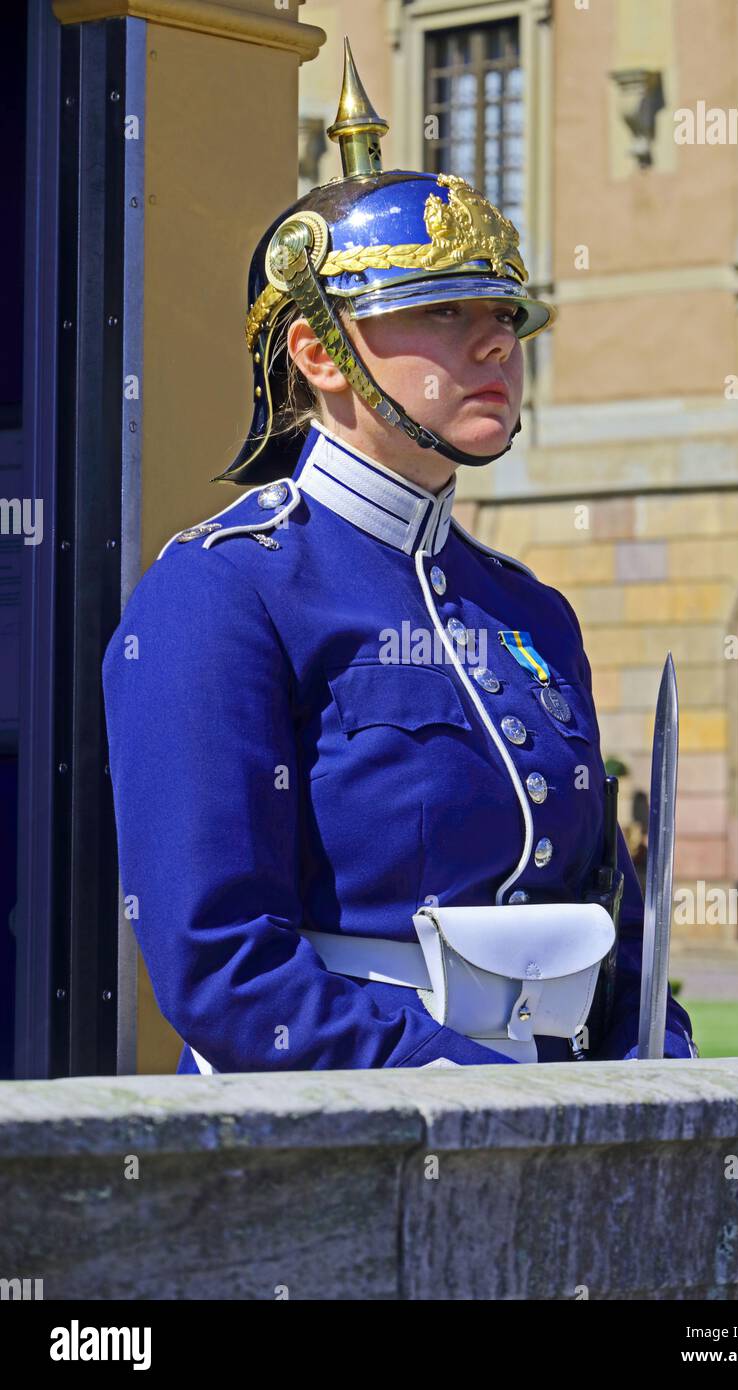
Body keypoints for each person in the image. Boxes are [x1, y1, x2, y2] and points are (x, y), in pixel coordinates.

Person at [102, 40, 698, 1074]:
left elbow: (604, 907)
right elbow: (222, 966)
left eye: (503, 316)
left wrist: (653, 1063)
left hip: (550, 1140)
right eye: (439, 314)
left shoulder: (531, 610)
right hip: (341, 1151)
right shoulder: (223, 591)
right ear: (321, 353)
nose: (494, 345)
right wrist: (469, 1095)